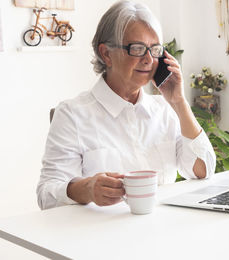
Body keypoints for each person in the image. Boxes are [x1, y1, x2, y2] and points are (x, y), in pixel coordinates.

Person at [37, 0, 216, 210]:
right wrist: (86, 189)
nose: (149, 59)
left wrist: (179, 102)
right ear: (106, 54)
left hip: (164, 231)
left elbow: (202, 170)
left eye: (155, 49)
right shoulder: (72, 114)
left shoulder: (164, 110)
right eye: (138, 48)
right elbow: (46, 195)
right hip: (101, 235)